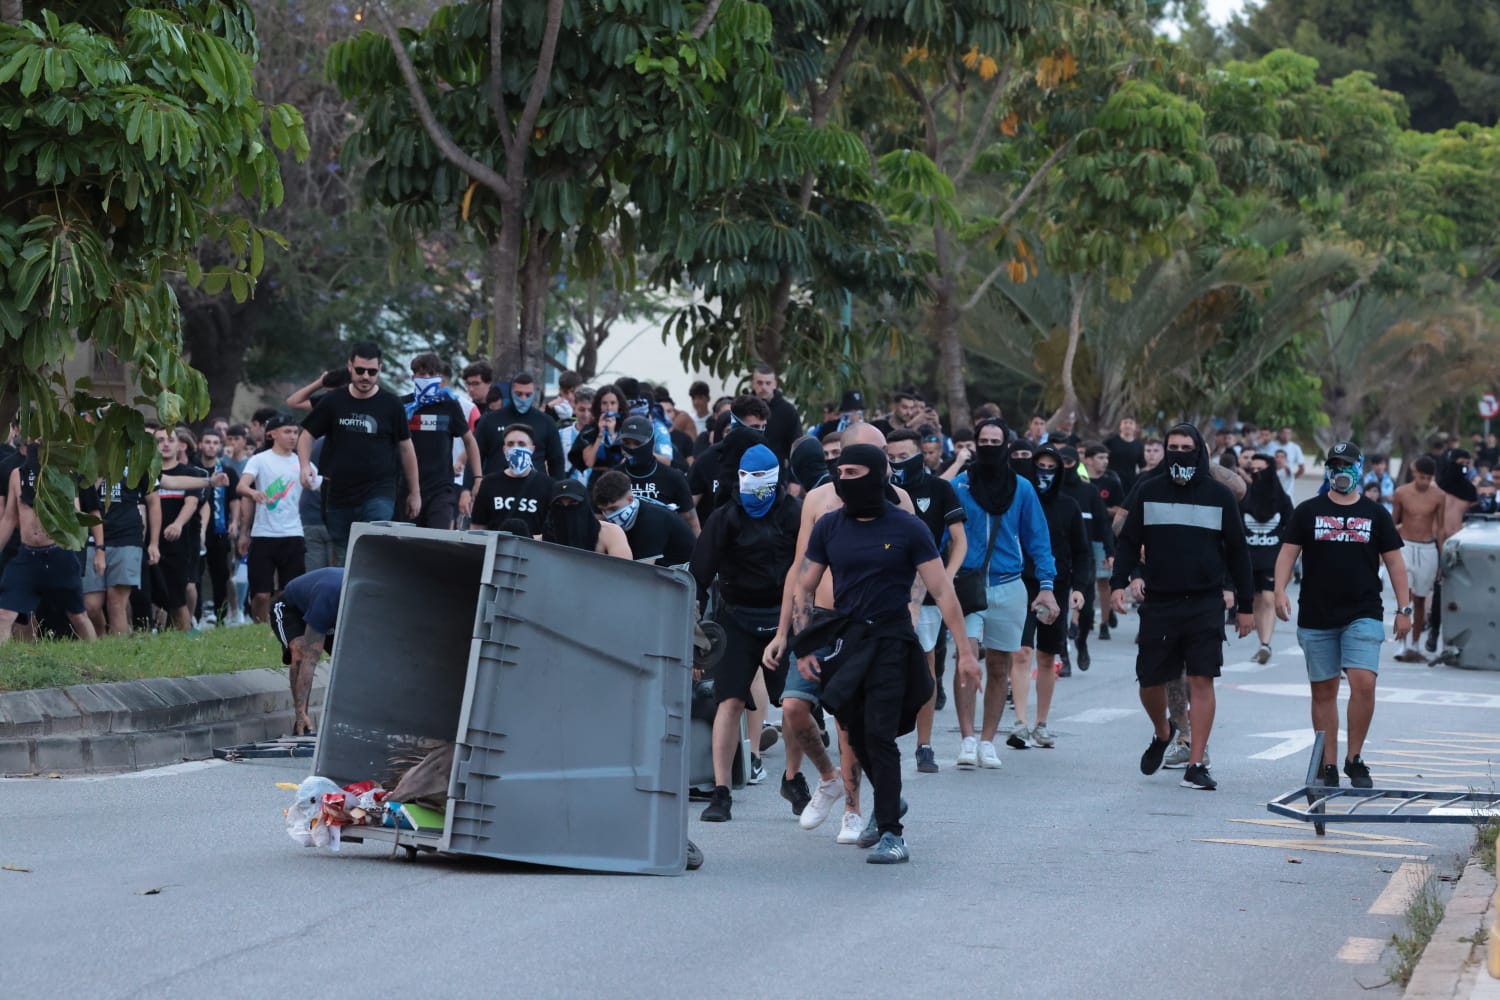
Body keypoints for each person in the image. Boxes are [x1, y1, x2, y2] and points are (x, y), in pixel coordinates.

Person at [787, 443, 982, 863]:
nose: (844, 480)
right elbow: (804, 585)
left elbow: (942, 590)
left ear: (878, 476)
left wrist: (965, 652)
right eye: (840, 472)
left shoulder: (908, 528)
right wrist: (802, 645)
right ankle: (891, 803)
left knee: (878, 732)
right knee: (854, 731)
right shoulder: (829, 527)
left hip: (892, 640)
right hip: (845, 640)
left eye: (854, 472)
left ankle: (893, 832)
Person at [762, 422, 917, 845]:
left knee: (851, 721)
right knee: (793, 707)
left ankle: (854, 808)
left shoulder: (899, 499)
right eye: (877, 450)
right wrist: (783, 633)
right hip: (818, 621)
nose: (887, 459)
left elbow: (916, 566)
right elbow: (799, 571)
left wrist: (910, 622)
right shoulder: (816, 500)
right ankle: (828, 778)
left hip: (869, 626)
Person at [1111, 423, 1254, 791]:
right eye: (1171, 447)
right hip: (1160, 601)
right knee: (1149, 680)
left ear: (1199, 451)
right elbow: (1128, 541)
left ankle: (1195, 761)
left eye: (1185, 447)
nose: (1178, 453)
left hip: (1205, 602)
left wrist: (1246, 605)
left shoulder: (1219, 496)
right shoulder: (1148, 490)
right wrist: (1118, 583)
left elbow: (1238, 552)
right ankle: (1163, 731)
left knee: (1202, 679)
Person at [1274, 442, 1410, 788]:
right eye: (1334, 465)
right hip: (1317, 614)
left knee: (1364, 682)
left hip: (1363, 611)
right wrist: (1278, 592)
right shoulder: (1307, 511)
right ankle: (1329, 764)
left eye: (1346, 465)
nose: (1340, 472)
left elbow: (1395, 563)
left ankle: (1355, 758)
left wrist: (1404, 608)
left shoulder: (1375, 514)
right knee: (1324, 691)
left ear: (1358, 468)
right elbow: (1288, 554)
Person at [690, 445, 806, 822]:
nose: (754, 487)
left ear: (776, 479)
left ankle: (792, 777)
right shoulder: (724, 518)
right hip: (736, 618)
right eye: (747, 478)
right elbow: (699, 576)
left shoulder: (793, 513)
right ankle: (721, 791)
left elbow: (810, 566)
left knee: (793, 705)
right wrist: (693, 625)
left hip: (783, 619)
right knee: (730, 703)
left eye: (762, 479)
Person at [950, 419, 1060, 769]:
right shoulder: (960, 486)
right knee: (965, 659)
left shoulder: (1023, 489)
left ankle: (987, 741)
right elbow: (942, 537)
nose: (989, 447)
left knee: (1000, 665)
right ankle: (967, 738)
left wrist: (1047, 586)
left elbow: (1038, 540)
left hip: (1009, 584)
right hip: (968, 584)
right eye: (983, 441)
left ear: (1007, 446)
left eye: (996, 441)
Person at [885, 429, 967, 773]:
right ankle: (882, 741)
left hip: (929, 595)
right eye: (891, 458)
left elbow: (959, 541)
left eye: (904, 457)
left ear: (920, 454)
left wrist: (943, 578)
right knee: (887, 671)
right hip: (888, 590)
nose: (897, 464)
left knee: (926, 667)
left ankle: (925, 745)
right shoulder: (881, 490)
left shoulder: (939, 489)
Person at [298, 342, 420, 560]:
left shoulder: (391, 404)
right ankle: (351, 592)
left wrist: (415, 492)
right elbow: (307, 435)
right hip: (338, 492)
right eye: (360, 370)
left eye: (372, 372)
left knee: (372, 543)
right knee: (346, 554)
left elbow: (406, 447)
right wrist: (305, 465)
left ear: (379, 370)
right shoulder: (333, 401)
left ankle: (373, 589)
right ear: (350, 367)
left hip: (379, 489)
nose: (366, 376)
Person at [1008, 445, 1088, 746]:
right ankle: (1020, 722)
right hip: (1020, 584)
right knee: (1021, 651)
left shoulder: (1069, 506)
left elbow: (1082, 552)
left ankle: (1041, 723)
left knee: (1046, 656)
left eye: (1050, 467)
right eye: (1038, 465)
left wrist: (1079, 588)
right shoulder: (1020, 501)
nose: (1044, 472)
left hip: (1057, 586)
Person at [0, 444, 101, 645]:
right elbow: (9, 519)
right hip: (27, 556)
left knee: (78, 615)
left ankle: (95, 655)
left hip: (58, 554)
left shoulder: (63, 474)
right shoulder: (16, 475)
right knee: (4, 614)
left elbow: (75, 513)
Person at [401, 352, 482, 530]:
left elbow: (470, 440)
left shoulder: (449, 405)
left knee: (439, 542)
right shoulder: (403, 406)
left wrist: (477, 477)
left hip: (441, 488)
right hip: (407, 488)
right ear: (413, 376)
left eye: (432, 374)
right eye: (422, 374)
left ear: (440, 377)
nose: (427, 378)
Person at [237, 414, 305, 623]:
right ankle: (258, 625)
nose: (292, 436)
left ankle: (280, 626)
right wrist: (253, 493)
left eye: (295, 432)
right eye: (287, 431)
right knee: (261, 593)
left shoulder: (301, 462)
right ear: (272, 434)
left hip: (294, 533)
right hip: (264, 533)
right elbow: (241, 486)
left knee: (287, 591)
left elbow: (318, 482)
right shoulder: (259, 459)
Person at [82, 470, 159, 636]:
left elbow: (153, 501)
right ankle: (101, 637)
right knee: (91, 605)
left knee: (116, 601)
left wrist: (153, 543)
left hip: (127, 536)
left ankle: (118, 650)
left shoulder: (135, 462)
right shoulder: (89, 460)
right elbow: (84, 497)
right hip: (92, 535)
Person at [1057, 445, 1113, 670]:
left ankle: (1081, 643)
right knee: (1059, 611)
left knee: (1087, 610)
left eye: (1069, 463)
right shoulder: (1051, 492)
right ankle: (1064, 656)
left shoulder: (1089, 492)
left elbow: (1102, 523)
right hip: (1057, 558)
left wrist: (1110, 552)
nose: (1065, 468)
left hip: (1084, 558)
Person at [271, 566, 344, 736]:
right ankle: (301, 721)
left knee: (349, 660)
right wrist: (300, 712)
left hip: (327, 609)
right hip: (290, 608)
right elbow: (309, 662)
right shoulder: (327, 599)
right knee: (301, 651)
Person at [1389, 455, 1445, 662]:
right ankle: (1402, 644)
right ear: (1415, 474)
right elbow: (1392, 524)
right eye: (1421, 477)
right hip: (1405, 545)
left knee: (1421, 599)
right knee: (1405, 596)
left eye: (1428, 478)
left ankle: (1415, 644)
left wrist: (1442, 558)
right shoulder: (1401, 492)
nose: (1424, 481)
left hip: (1428, 548)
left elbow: (1441, 528)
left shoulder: (1439, 496)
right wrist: (1384, 553)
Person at [1242, 453, 1295, 663]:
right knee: (1256, 600)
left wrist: (1290, 564)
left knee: (1268, 597)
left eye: (1260, 470)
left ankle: (1266, 644)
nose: (1255, 474)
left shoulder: (1282, 499)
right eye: (1252, 470)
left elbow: (1291, 531)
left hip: (1273, 558)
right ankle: (1262, 643)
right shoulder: (1244, 496)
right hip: (1249, 558)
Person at [153, 426, 207, 632]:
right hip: (152, 542)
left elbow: (191, 503)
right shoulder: (147, 473)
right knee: (153, 595)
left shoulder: (191, 474)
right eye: (159, 440)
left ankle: (188, 636)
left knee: (177, 597)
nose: (165, 444)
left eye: (170, 440)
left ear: (180, 445)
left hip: (181, 542)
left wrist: (177, 524)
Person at [475, 371, 566, 479]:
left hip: (535, 490)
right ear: (510, 392)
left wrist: (558, 491)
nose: (523, 399)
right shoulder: (490, 420)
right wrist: (468, 489)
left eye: (528, 395)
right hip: (496, 489)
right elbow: (475, 458)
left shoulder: (546, 422)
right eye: (519, 394)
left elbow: (557, 462)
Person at [592, 470, 694, 566]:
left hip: (682, 574)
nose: (608, 515)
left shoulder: (652, 521)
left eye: (613, 509)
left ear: (630, 499)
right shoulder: (634, 514)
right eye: (603, 510)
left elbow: (642, 572)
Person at [470, 423, 556, 537]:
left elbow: (553, 529)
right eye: (510, 444)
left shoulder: (548, 485)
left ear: (532, 449)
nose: (516, 448)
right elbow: (478, 527)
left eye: (521, 444)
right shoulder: (489, 483)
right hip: (495, 549)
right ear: (504, 449)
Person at [618, 415, 698, 533]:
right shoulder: (613, 477)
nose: (631, 448)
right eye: (626, 442)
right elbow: (600, 522)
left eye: (637, 442)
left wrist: (698, 550)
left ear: (651, 442)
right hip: (620, 547)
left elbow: (692, 522)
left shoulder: (673, 477)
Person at [195, 429, 240, 626]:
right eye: (208, 442)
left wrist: (235, 522)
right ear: (200, 445)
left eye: (215, 442)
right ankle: (195, 617)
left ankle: (220, 617)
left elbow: (234, 500)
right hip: (195, 530)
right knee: (194, 575)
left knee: (220, 575)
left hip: (220, 531)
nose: (211, 446)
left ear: (219, 446)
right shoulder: (192, 469)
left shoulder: (227, 471)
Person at [541, 480, 631, 557]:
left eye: (573, 503)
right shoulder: (543, 540)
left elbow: (625, 572)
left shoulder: (610, 533)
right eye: (559, 505)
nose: (567, 510)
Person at [572, 384, 627, 476]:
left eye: (613, 403)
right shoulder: (589, 430)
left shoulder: (627, 427)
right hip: (597, 480)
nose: (609, 408)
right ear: (599, 405)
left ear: (619, 405)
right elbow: (589, 462)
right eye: (604, 403)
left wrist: (612, 434)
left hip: (622, 478)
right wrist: (600, 434)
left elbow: (627, 457)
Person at [750, 363, 803, 461]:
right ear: (753, 384)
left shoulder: (788, 411)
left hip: (778, 470)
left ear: (775, 384)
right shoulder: (743, 409)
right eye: (760, 383)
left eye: (768, 383)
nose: (764, 387)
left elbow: (796, 443)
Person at [1104, 417, 1145, 494]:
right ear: (1120, 426)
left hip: (1130, 484)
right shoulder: (1110, 442)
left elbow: (1142, 466)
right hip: (1111, 481)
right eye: (1125, 422)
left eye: (1131, 423)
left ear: (1135, 426)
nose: (1128, 425)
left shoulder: (1139, 445)